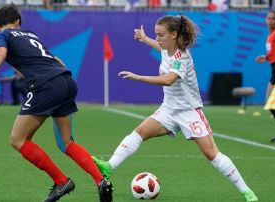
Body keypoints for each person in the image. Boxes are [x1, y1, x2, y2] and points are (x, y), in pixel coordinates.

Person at [92, 15, 258, 202]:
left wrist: (138, 77)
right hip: (169, 110)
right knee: (139, 132)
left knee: (212, 154)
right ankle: (109, 166)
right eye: (156, 34)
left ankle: (247, 192)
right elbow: (161, 48)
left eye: (160, 35)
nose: (158, 38)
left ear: (173, 35)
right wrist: (146, 39)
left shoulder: (182, 57)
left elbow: (169, 80)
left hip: (190, 112)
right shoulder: (166, 48)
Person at [0, 4, 113, 202]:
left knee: (18, 139)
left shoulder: (3, 35)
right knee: (66, 143)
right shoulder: (30, 34)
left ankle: (61, 182)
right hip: (65, 80)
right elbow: (56, 60)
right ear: (19, 23)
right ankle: (101, 180)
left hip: (46, 86)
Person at [255, 10, 275, 143]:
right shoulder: (272, 34)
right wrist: (266, 57)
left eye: (273, 19)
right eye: (268, 18)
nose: (270, 21)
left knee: (273, 103)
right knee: (272, 103)